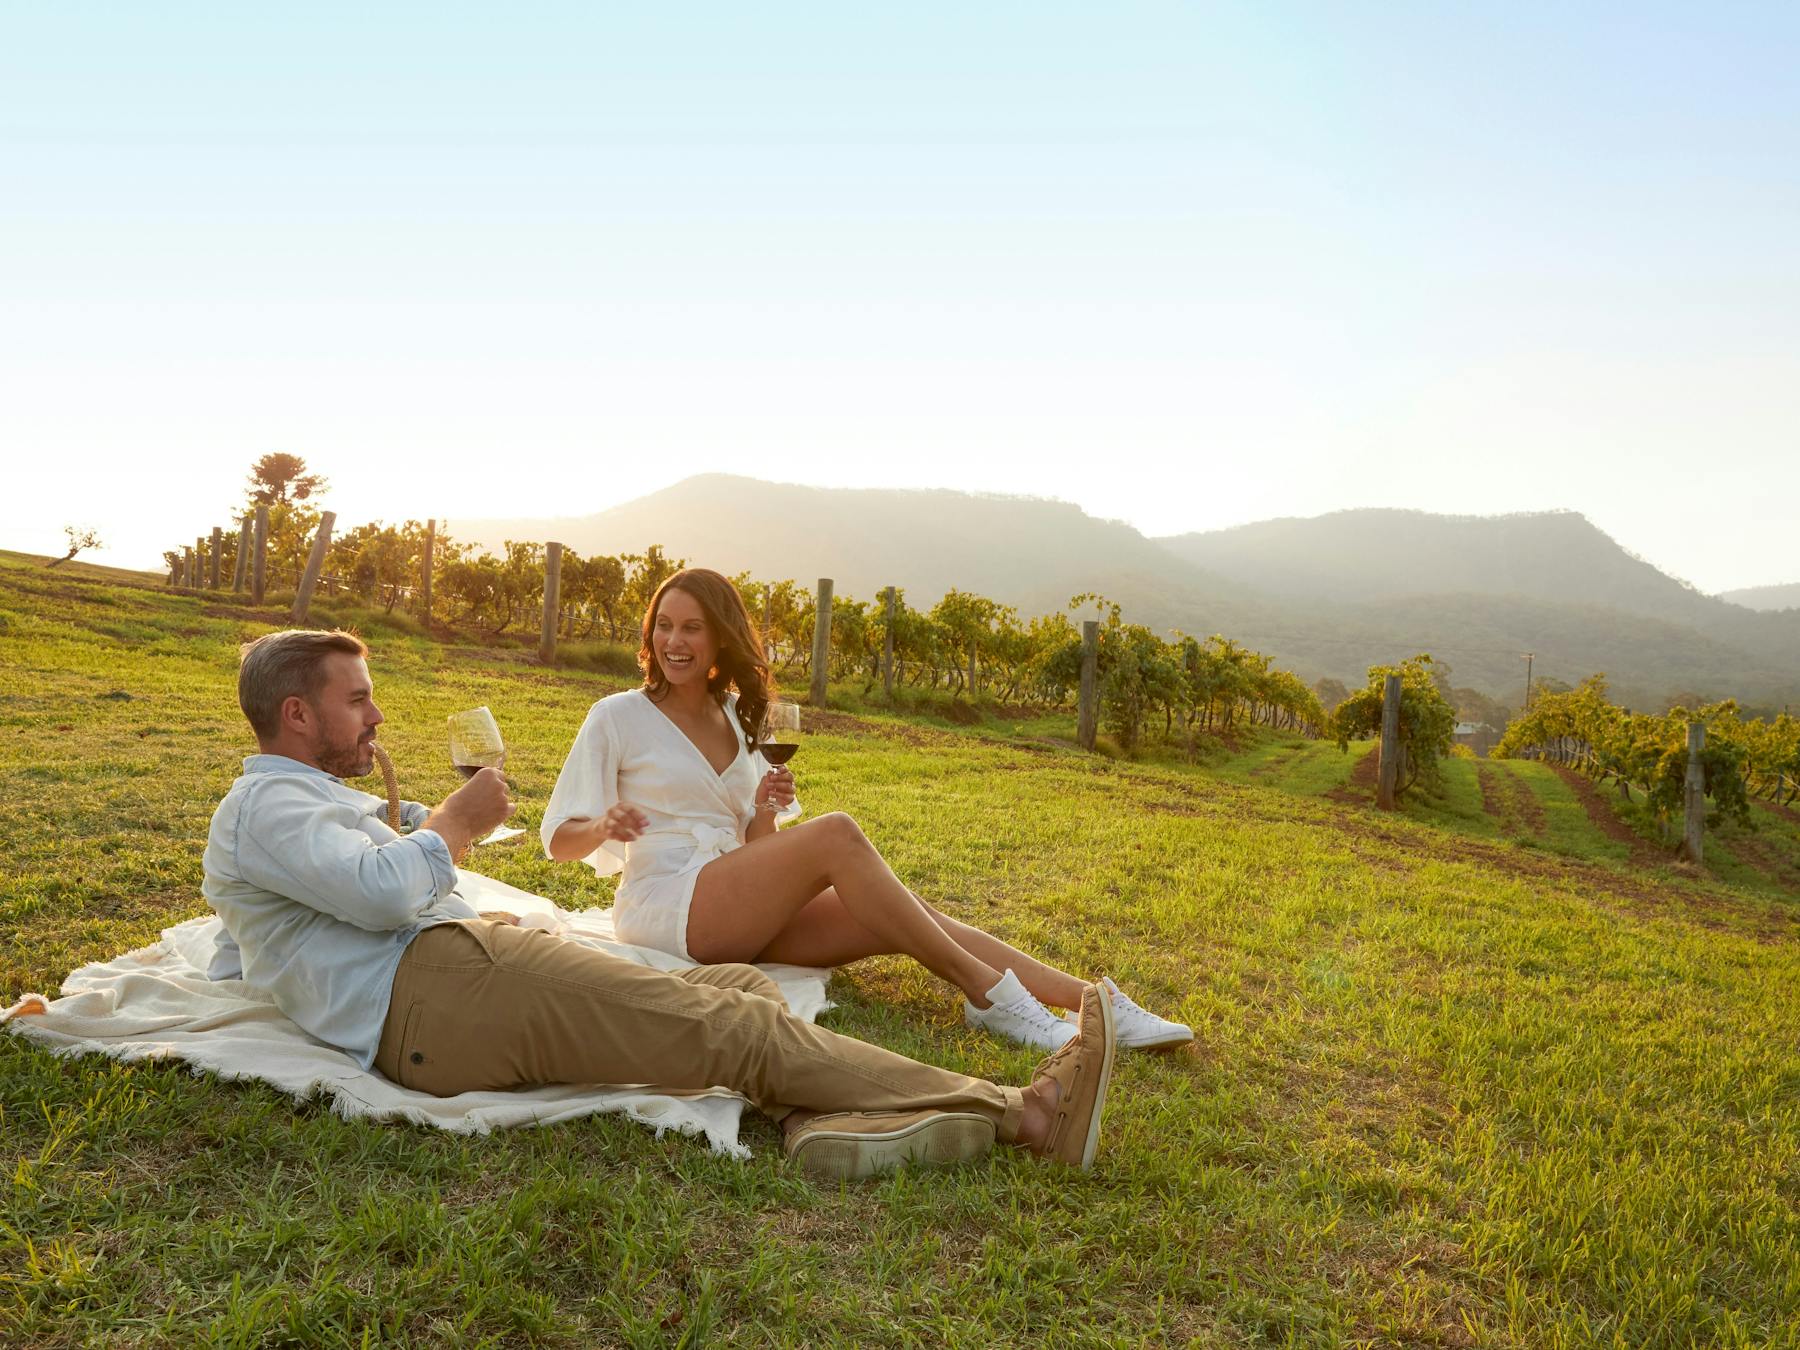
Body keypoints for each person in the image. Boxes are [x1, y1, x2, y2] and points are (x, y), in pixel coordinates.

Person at [201, 628, 1118, 1180]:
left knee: (742, 993)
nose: (376, 719)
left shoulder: (297, 808)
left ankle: (820, 1113)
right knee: (737, 1030)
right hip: (439, 994)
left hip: (448, 978)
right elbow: (377, 890)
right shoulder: (268, 804)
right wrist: (454, 825)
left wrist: (418, 887)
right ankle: (1028, 1114)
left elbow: (263, 935)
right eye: (357, 701)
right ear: (295, 715)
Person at [542, 569, 1192, 1052]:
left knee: (902, 916)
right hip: (667, 909)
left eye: (691, 627)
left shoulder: (734, 722)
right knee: (838, 836)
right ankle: (991, 997)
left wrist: (764, 810)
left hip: (732, 904)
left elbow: (749, 845)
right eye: (663, 625)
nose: (673, 641)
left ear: (719, 639)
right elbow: (560, 840)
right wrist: (603, 826)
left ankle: (1093, 1002)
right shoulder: (619, 716)